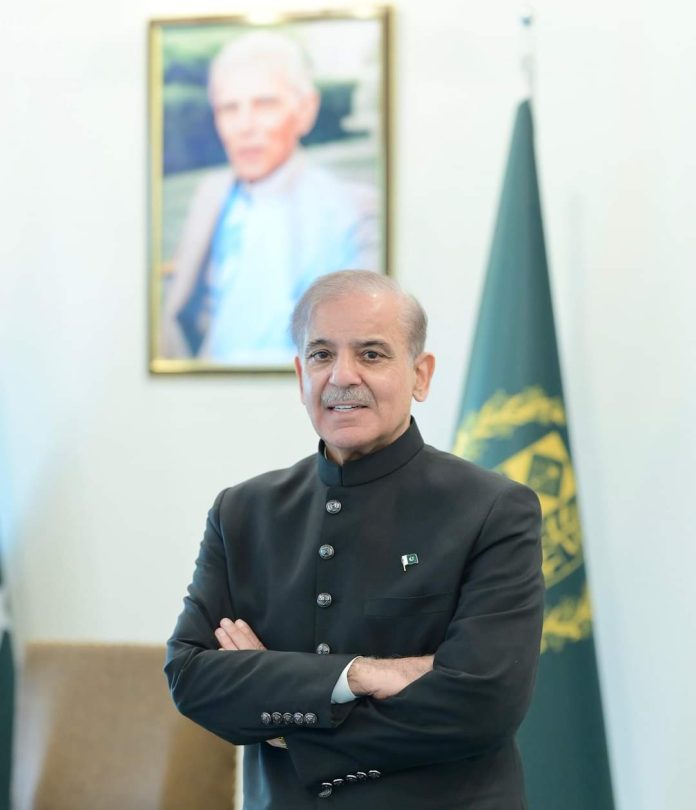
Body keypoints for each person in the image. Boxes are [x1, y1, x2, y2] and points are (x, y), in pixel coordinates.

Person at [165, 270, 544, 808]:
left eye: (371, 354)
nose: (342, 375)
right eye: (321, 354)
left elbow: (483, 703)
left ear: (420, 375)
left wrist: (287, 724)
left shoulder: (493, 509)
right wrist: (357, 675)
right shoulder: (243, 511)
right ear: (301, 375)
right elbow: (191, 677)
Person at [160, 33, 380, 366]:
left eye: (264, 104)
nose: (245, 126)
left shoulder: (354, 211)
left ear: (305, 110)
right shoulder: (212, 194)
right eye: (229, 108)